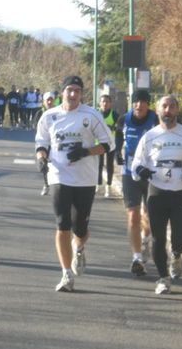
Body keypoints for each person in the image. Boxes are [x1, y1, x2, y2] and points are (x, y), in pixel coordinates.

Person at [35, 76, 114, 292]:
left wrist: (86, 151)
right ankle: (66, 274)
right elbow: (41, 143)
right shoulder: (49, 116)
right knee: (62, 225)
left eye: (77, 91)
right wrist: (42, 158)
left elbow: (109, 144)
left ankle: (78, 248)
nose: (73, 94)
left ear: (81, 94)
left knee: (80, 228)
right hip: (59, 175)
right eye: (69, 90)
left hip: (85, 179)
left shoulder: (91, 115)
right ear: (62, 92)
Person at [131, 95, 182, 295]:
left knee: (180, 238)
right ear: (157, 111)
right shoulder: (149, 137)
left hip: (181, 193)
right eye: (164, 106)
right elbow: (136, 163)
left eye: (172, 106)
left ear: (178, 110)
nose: (168, 110)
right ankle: (163, 278)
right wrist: (142, 171)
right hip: (157, 193)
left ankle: (176, 254)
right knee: (157, 238)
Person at [115, 89, 158, 277]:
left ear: (148, 104)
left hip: (150, 173)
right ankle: (137, 257)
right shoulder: (124, 119)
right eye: (136, 102)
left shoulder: (155, 120)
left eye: (142, 102)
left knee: (148, 215)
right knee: (133, 215)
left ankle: (145, 238)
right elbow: (118, 136)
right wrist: (117, 152)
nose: (139, 105)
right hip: (129, 172)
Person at [97, 94, 120, 198]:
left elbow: (119, 129)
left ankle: (108, 187)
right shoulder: (96, 114)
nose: (105, 104)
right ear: (100, 103)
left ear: (110, 104)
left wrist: (112, 127)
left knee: (109, 165)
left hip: (110, 143)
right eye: (103, 102)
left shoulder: (115, 115)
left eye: (107, 102)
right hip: (98, 143)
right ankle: (98, 184)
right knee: (99, 165)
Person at [37, 91, 57, 196]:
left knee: (55, 164)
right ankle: (46, 184)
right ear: (44, 102)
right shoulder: (40, 113)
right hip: (43, 143)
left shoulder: (58, 112)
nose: (49, 102)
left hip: (55, 143)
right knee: (43, 165)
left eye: (51, 100)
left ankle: (56, 186)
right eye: (47, 100)